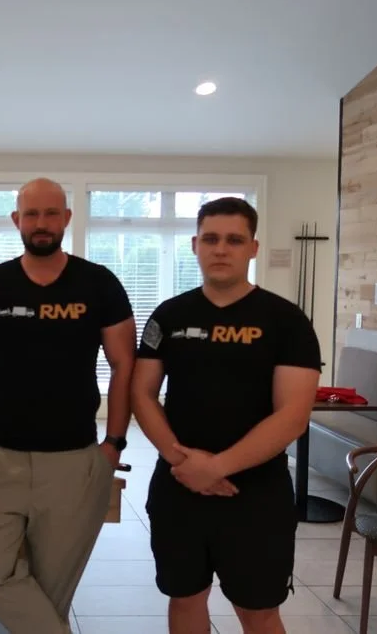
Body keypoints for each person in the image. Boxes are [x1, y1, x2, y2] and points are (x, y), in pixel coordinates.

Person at [0, 177, 136, 633]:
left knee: (52, 592)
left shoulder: (100, 284)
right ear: (17, 220)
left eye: (51, 213)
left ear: (67, 219)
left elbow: (124, 365)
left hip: (75, 462)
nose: (41, 223)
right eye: (31, 214)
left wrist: (113, 443)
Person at [131, 197, 322, 634]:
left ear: (253, 248)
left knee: (258, 612)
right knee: (184, 600)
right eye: (211, 239)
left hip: (255, 494)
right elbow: (142, 393)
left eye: (234, 240)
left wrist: (216, 467)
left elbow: (293, 415)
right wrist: (184, 464)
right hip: (178, 489)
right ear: (195, 245)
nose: (221, 249)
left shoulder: (286, 321)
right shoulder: (170, 315)